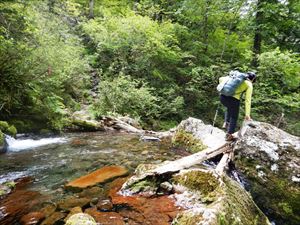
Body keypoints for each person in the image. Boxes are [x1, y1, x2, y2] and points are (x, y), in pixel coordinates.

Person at [219, 71, 256, 141]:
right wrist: (247, 114)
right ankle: (229, 135)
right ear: (253, 79)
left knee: (229, 107)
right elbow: (247, 100)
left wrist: (226, 89)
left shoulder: (235, 78)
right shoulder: (249, 84)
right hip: (234, 100)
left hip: (222, 97)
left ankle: (226, 122)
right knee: (234, 117)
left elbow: (220, 78)